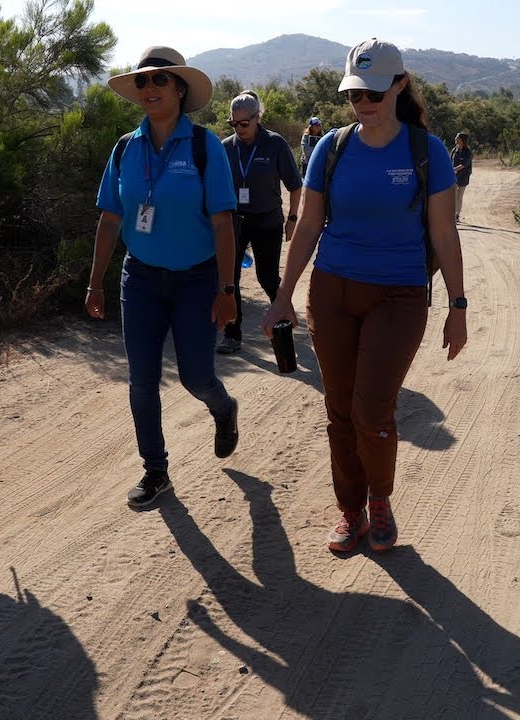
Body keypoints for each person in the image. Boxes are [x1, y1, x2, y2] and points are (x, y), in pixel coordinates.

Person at [262, 38, 467, 553]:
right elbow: (308, 226)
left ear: (400, 85)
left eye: (374, 93)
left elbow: (444, 235)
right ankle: (350, 508)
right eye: (355, 94)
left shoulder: (427, 152)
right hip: (333, 291)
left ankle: (379, 499)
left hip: (399, 295)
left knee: (371, 411)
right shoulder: (331, 148)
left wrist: (457, 306)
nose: (363, 103)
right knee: (338, 408)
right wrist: (283, 296)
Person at [87, 46, 241, 509]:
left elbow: (223, 224)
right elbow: (110, 218)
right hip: (140, 280)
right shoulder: (125, 148)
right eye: (142, 81)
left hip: (196, 280)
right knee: (142, 380)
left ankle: (224, 407)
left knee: (197, 378)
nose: (149, 88)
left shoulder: (204, 146)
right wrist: (95, 283)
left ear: (180, 90)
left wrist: (227, 289)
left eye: (160, 79)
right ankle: (156, 470)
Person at [217, 91, 303, 355]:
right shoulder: (225, 147)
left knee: (267, 277)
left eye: (244, 123)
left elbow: (295, 185)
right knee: (229, 278)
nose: (239, 128)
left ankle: (282, 321)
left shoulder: (275, 144)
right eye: (234, 123)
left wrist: (292, 218)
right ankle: (232, 334)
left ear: (258, 118)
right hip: (235, 221)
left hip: (267, 220)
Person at [451, 132, 473, 223]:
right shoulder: (454, 150)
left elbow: (464, 165)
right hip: (454, 176)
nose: (455, 139)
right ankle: (453, 214)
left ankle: (457, 215)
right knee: (454, 196)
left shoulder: (468, 152)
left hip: (463, 177)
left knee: (459, 196)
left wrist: (453, 169)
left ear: (462, 140)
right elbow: (450, 161)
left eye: (457, 138)